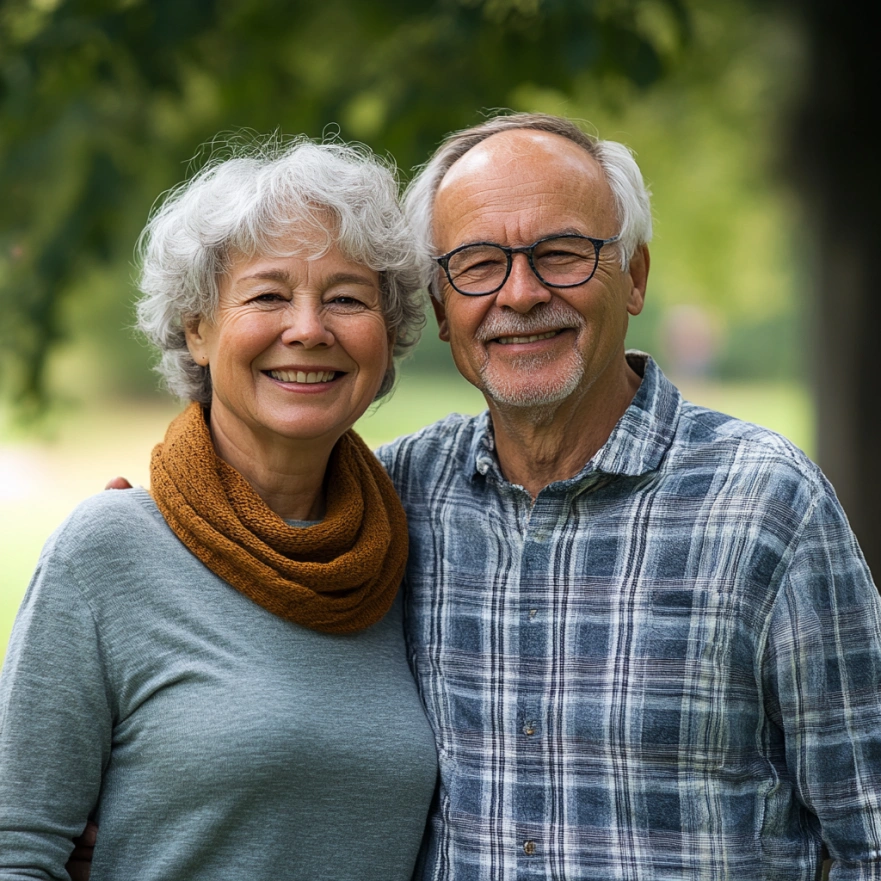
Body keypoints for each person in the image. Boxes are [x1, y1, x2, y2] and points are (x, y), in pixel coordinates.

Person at [77, 111, 881, 880]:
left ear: (633, 276)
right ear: (438, 303)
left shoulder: (766, 503)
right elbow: (245, 562)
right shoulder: (389, 505)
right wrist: (141, 540)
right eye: (478, 262)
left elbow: (868, 833)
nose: (521, 292)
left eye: (563, 252)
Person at [0, 134, 439, 880]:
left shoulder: (410, 543)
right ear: (197, 328)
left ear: (387, 336)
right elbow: (17, 850)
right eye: (268, 294)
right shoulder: (107, 552)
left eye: (346, 297)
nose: (308, 327)